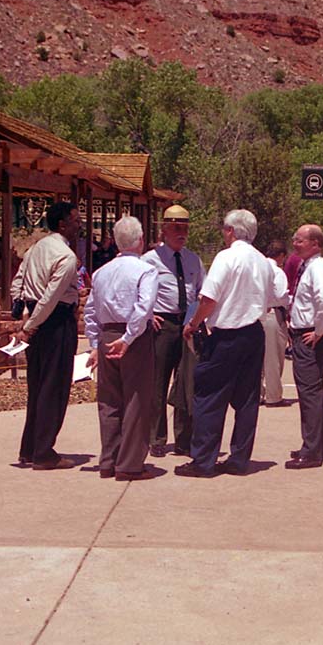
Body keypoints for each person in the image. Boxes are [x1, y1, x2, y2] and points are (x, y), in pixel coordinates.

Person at [175, 209, 271, 477]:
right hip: (254, 333)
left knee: (209, 396)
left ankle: (203, 461)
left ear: (231, 231)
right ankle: (239, 459)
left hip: (226, 334)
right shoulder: (263, 261)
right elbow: (275, 295)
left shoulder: (226, 257)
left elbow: (209, 298)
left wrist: (193, 324)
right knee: (247, 399)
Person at [84, 215, 159, 481]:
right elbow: (144, 306)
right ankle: (129, 463)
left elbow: (90, 310)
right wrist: (128, 338)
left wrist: (95, 344)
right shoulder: (145, 270)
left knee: (109, 400)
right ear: (140, 241)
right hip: (133, 337)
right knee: (137, 398)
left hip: (107, 335)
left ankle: (109, 459)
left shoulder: (101, 272)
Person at [10, 201, 83, 470]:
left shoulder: (36, 248)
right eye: (75, 220)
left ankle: (29, 447)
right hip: (56, 323)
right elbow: (51, 298)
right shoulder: (66, 257)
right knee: (54, 387)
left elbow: (18, 282)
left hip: (37, 322)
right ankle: (44, 453)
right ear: (62, 224)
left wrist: (21, 312)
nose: (79, 224)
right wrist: (30, 326)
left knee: (38, 386)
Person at [141, 205, 206, 457]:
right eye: (177, 228)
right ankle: (156, 438)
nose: (182, 233)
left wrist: (197, 319)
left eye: (185, 228)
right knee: (157, 382)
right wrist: (148, 315)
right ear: (164, 229)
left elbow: (202, 290)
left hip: (187, 323)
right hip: (162, 326)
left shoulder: (193, 259)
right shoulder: (149, 261)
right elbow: (137, 291)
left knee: (186, 382)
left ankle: (184, 438)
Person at [285, 224, 323, 469]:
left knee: (309, 395)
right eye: (295, 239)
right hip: (305, 333)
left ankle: (312, 451)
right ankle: (319, 446)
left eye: (300, 240)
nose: (295, 244)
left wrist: (317, 331)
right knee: (315, 393)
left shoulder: (317, 267)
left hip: (309, 337)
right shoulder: (308, 266)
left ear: (315, 243)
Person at [261, 240, 291, 406]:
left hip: (256, 315)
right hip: (272, 314)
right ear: (281, 256)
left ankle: (257, 393)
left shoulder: (257, 267)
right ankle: (273, 396)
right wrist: (290, 299)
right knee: (273, 358)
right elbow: (280, 294)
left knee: (257, 359)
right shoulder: (277, 272)